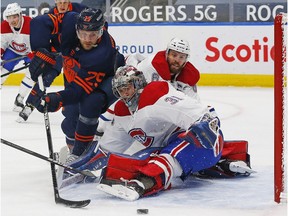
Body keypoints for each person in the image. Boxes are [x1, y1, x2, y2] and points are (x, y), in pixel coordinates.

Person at [97, 38, 253, 177]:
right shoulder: (150, 67)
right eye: (173, 55)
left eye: (181, 57)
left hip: (164, 122)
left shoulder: (188, 80)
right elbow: (127, 95)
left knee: (188, 140)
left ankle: (213, 155)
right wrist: (104, 123)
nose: (176, 60)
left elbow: (191, 106)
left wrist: (195, 126)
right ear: (167, 54)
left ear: (186, 59)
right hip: (144, 116)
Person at [67, 65, 225, 201]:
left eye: (128, 88)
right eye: (121, 90)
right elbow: (108, 149)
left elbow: (196, 111)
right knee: (143, 156)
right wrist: (80, 166)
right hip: (172, 149)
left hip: (204, 144)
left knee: (169, 154)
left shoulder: (155, 94)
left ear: (139, 84)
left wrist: (205, 123)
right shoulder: (122, 111)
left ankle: (142, 184)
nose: (125, 94)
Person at [32, 8, 125, 161]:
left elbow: (78, 91)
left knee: (90, 103)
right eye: (83, 34)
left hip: (104, 80)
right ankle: (73, 149)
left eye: (92, 35)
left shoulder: (103, 53)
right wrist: (41, 51)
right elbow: (39, 23)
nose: (87, 39)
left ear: (101, 32)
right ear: (76, 29)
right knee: (70, 118)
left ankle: (80, 154)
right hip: (77, 76)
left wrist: (55, 99)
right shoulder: (70, 21)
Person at [17, 0, 88, 122]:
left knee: (76, 80)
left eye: (65, 2)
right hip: (58, 53)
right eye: (59, 2)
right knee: (46, 78)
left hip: (75, 52)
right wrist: (42, 55)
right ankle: (29, 105)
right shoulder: (50, 15)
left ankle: (76, 110)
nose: (62, 5)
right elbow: (44, 39)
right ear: (55, 1)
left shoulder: (80, 9)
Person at [1, 3, 34, 112]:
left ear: (20, 15)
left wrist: (34, 52)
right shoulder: (4, 26)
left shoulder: (30, 23)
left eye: (15, 16)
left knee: (32, 74)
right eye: (9, 17)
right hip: (13, 51)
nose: (12, 20)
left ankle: (19, 99)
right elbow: (2, 43)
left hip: (29, 52)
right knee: (2, 72)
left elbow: (38, 41)